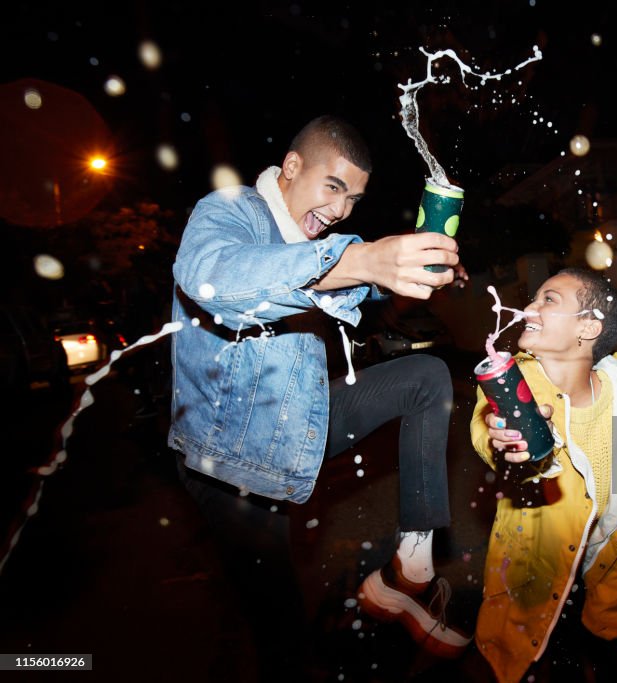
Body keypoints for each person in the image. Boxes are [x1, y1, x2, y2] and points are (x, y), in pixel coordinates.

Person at [169, 115, 470, 681]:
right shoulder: (229, 212)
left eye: (354, 198)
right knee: (282, 634)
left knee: (427, 376)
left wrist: (413, 268)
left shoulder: (326, 242)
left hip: (302, 416)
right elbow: (213, 281)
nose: (340, 210)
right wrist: (353, 261)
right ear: (291, 168)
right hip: (229, 459)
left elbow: (366, 272)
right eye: (333, 188)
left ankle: (410, 569)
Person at [470, 268, 617, 683]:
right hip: (536, 589)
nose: (528, 309)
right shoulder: (510, 386)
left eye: (549, 300)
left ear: (589, 327)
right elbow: (487, 431)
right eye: (534, 299)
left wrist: (609, 609)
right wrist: (505, 444)